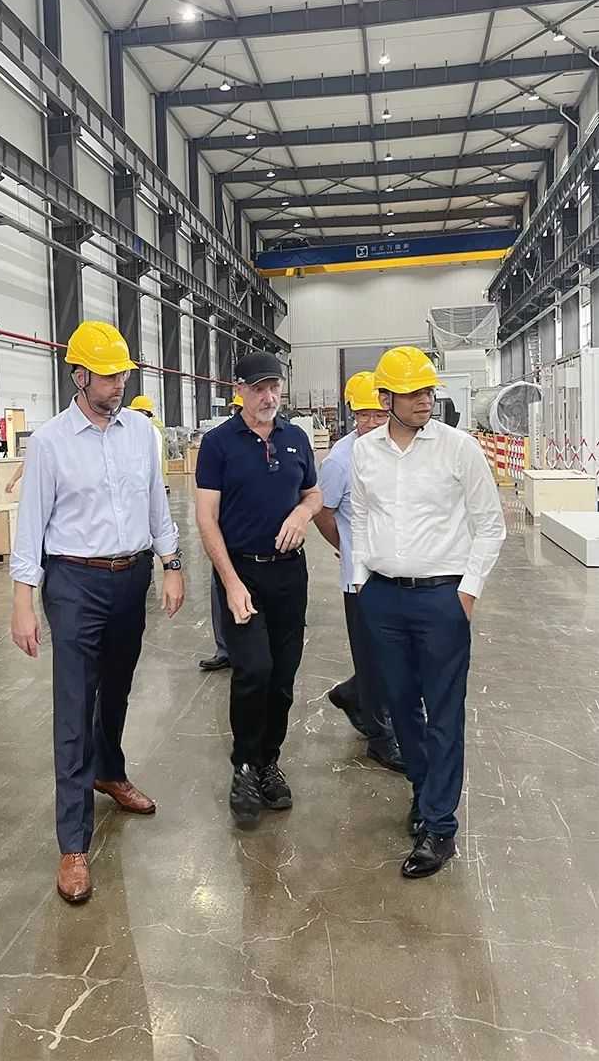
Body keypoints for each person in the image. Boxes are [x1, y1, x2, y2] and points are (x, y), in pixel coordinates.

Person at [9, 321, 184, 905]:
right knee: (74, 704)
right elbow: (31, 524)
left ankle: (109, 771)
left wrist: (171, 562)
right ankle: (73, 843)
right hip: (74, 582)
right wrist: (23, 600)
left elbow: (156, 501)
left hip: (130, 577)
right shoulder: (51, 442)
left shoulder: (142, 434)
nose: (117, 383)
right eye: (107, 375)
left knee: (117, 688)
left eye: (122, 374)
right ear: (79, 376)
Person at [351, 346, 505, 879]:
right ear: (385, 399)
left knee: (444, 711)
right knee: (400, 706)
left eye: (428, 391)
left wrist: (468, 591)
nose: (424, 401)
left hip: (443, 599)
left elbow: (490, 524)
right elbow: (360, 515)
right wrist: (362, 579)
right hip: (383, 598)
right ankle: (423, 791)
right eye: (412, 393)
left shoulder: (459, 449)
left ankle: (440, 826)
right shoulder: (365, 452)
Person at [195, 352, 322, 826]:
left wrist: (303, 513)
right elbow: (206, 518)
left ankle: (269, 761)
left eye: (275, 387)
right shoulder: (218, 444)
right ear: (240, 390)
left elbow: (313, 492)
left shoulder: (296, 438)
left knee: (283, 677)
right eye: (259, 388)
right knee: (253, 670)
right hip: (242, 573)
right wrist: (230, 582)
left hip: (289, 576)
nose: (269, 397)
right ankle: (244, 767)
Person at [314, 372, 403, 772]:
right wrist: (345, 546)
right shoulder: (339, 460)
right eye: (362, 414)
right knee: (373, 658)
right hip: (361, 579)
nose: (370, 422)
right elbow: (323, 512)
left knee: (392, 656)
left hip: (398, 571)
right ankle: (380, 740)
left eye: (377, 414)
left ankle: (352, 693)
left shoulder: (395, 449)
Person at [198, 396, 242, 674]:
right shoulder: (220, 442)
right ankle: (225, 649)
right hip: (228, 537)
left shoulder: (279, 437)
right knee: (221, 591)